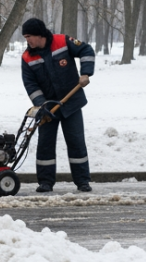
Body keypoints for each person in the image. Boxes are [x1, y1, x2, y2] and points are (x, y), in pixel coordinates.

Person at [20, 17, 96, 193]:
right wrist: (42, 105)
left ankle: (82, 181)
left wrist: (86, 73)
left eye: (29, 36)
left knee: (76, 142)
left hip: (72, 104)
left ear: (39, 34)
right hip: (48, 109)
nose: (27, 40)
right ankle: (45, 182)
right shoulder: (27, 57)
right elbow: (31, 85)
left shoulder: (62, 42)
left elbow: (86, 50)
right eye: (25, 37)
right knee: (45, 145)